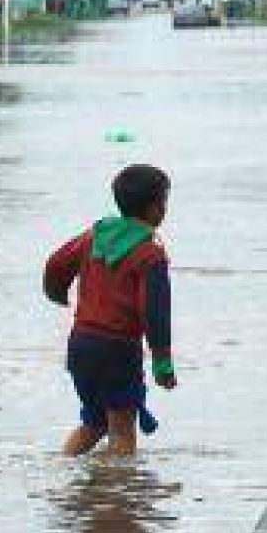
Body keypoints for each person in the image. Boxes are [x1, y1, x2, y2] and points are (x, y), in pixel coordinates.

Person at [43, 163, 176, 457]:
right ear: (156, 208)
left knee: (95, 422)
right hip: (117, 349)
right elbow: (155, 312)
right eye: (164, 201)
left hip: (81, 345)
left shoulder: (95, 236)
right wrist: (162, 363)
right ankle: (119, 498)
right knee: (122, 428)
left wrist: (57, 293)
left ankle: (63, 471)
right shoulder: (150, 253)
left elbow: (55, 264)